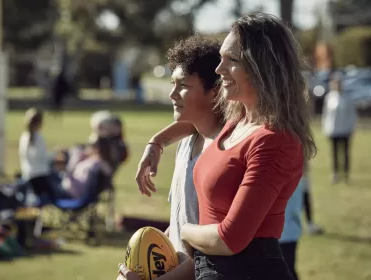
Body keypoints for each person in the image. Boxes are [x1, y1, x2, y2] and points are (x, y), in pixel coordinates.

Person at [133, 13, 317, 280]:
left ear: (260, 67)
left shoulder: (275, 141)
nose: (219, 70)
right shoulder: (236, 123)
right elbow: (197, 121)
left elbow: (230, 239)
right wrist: (156, 143)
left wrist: (184, 230)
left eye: (231, 60)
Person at [117, 34, 223, 280]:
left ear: (215, 92)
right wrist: (155, 143)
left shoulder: (224, 154)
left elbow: (212, 253)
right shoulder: (187, 141)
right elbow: (180, 224)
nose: (172, 94)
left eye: (183, 86)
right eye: (173, 84)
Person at [322, 74, 357, 184]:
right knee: (335, 152)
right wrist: (326, 128)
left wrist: (352, 127)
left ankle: (346, 173)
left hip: (345, 129)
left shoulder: (347, 97)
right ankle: (335, 173)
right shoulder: (330, 97)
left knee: (345, 152)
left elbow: (352, 114)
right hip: (333, 130)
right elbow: (326, 114)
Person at [18, 108, 54, 198]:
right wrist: (55, 155)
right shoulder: (39, 138)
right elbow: (43, 158)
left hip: (28, 175)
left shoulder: (24, 137)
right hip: (40, 178)